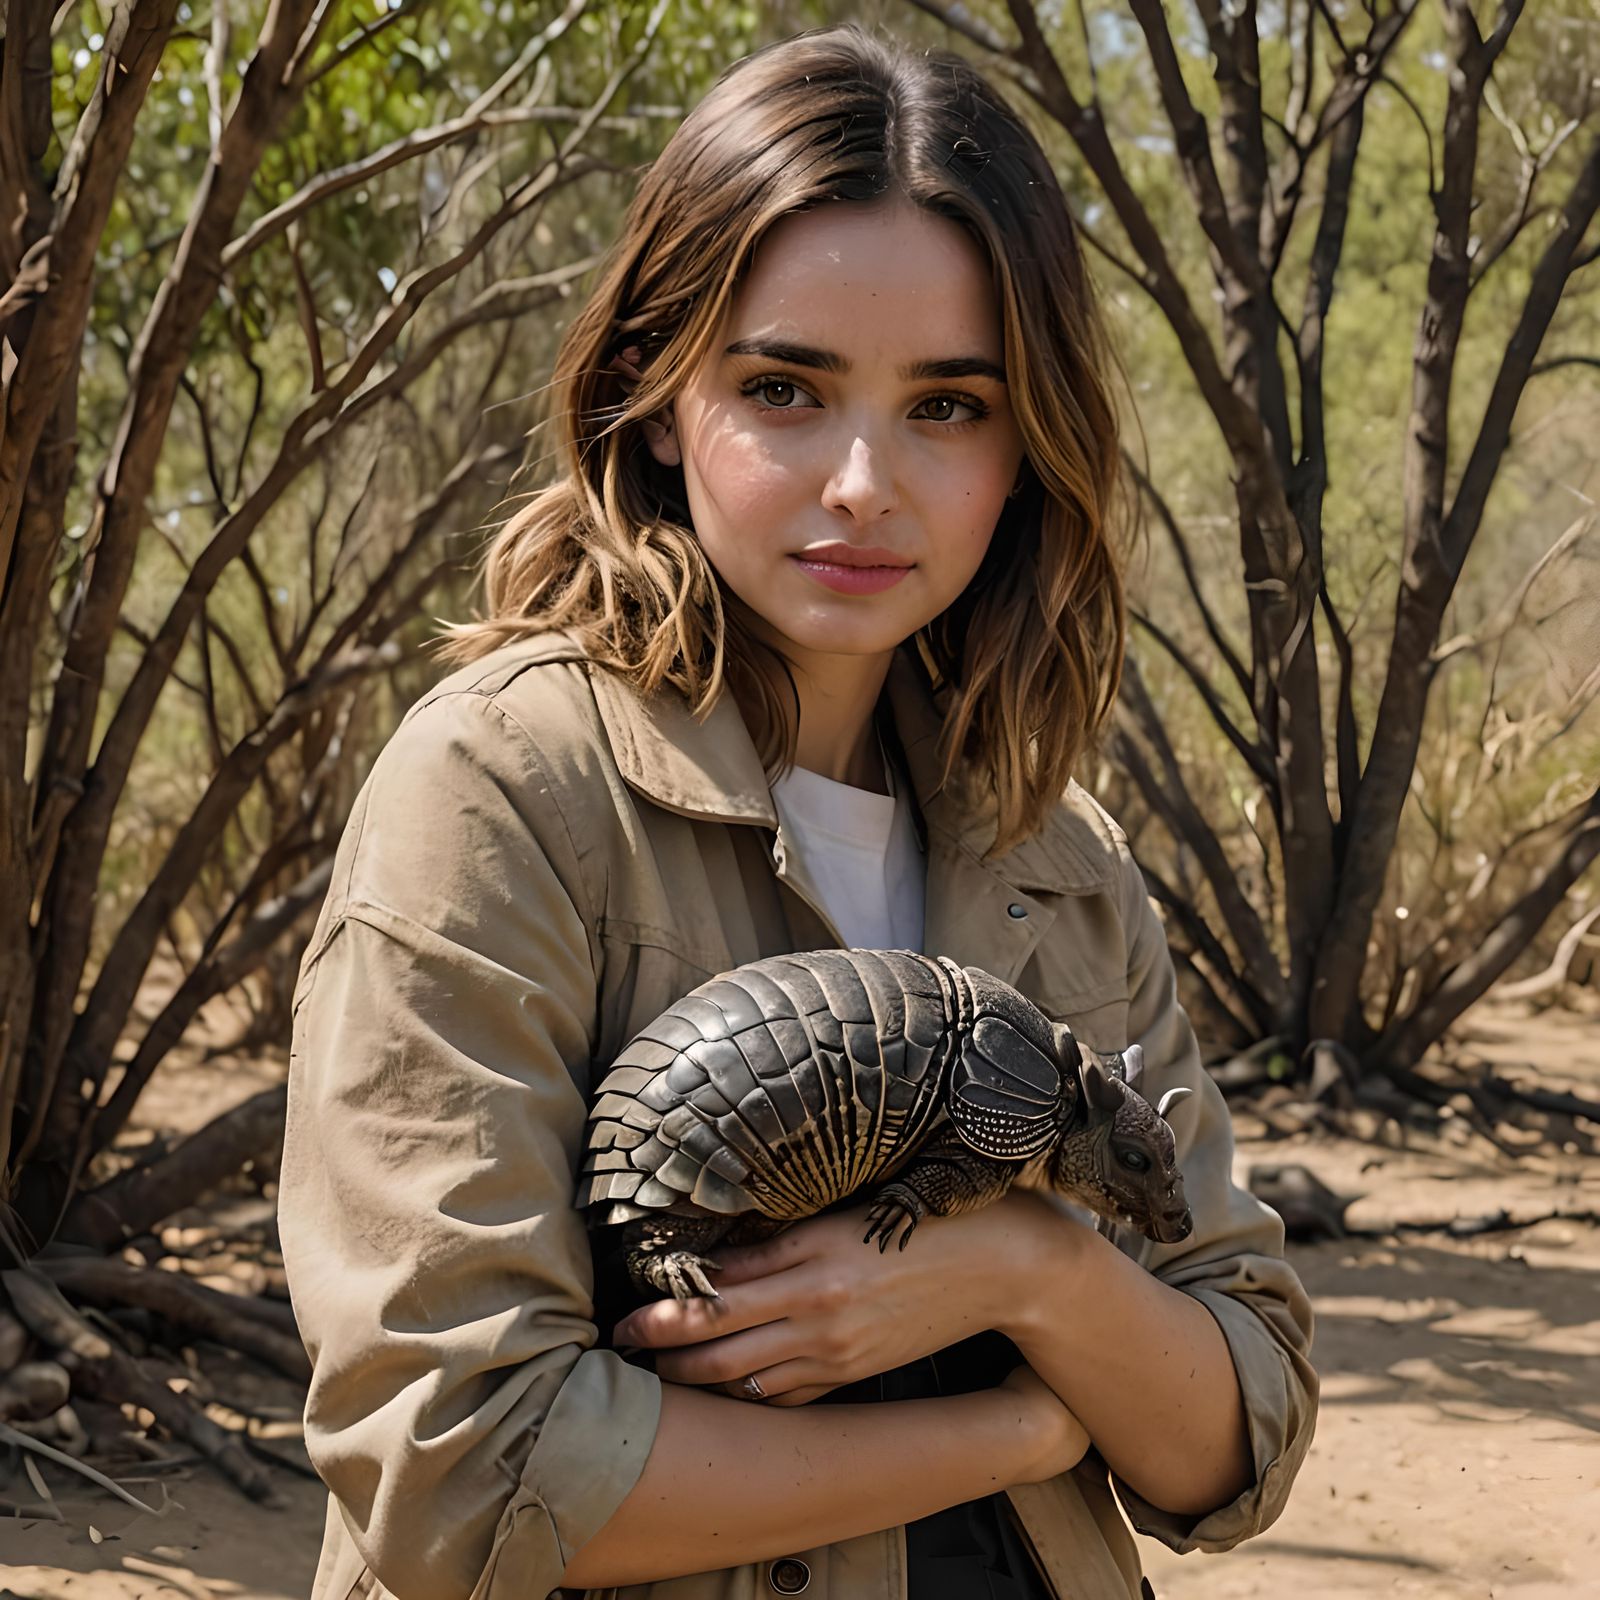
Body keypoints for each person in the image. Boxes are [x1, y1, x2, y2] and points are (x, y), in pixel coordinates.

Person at [277, 22, 1318, 1600]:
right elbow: (461, 1472)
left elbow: (1236, 1429)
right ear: (653, 389)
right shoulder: (502, 795)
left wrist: (1025, 1269)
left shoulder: (1060, 857)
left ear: (1027, 448)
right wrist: (1024, 1431)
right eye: (783, 387)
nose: (861, 482)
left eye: (949, 406)